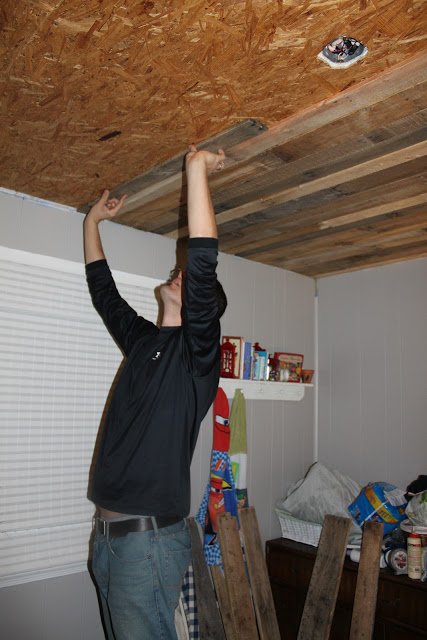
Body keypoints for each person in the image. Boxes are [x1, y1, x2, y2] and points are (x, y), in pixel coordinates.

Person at [84, 145, 227, 640]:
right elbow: (104, 295)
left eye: (189, 280)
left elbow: (203, 266)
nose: (179, 273)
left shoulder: (197, 361)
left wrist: (195, 170)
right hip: (108, 541)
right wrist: (92, 223)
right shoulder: (145, 343)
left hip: (147, 544)